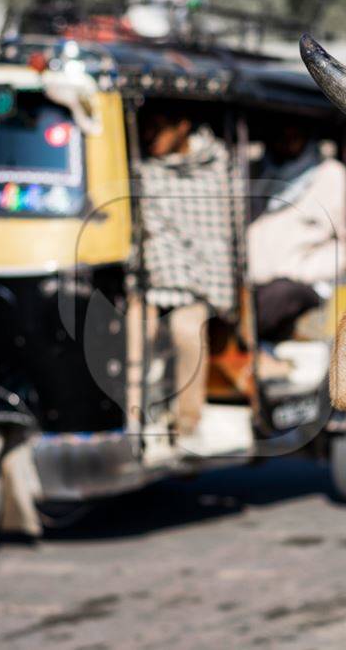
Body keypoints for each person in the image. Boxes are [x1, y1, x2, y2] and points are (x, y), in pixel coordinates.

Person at [136, 107, 242, 455]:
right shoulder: (144, 170)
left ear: (182, 126)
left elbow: (226, 230)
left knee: (186, 330)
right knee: (137, 331)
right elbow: (149, 234)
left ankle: (186, 424)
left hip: (200, 281)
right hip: (153, 275)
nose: (151, 136)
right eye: (147, 129)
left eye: (159, 127)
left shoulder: (217, 165)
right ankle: (136, 420)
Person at [247, 126, 346, 342]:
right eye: (280, 134)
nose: (287, 140)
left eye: (294, 133)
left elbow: (334, 234)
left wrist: (293, 270)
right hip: (258, 280)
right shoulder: (259, 173)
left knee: (271, 302)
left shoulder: (329, 173)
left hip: (304, 281)